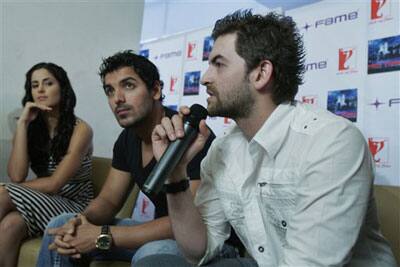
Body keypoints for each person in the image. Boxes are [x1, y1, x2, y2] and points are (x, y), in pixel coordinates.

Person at [136, 10, 397, 267]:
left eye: (218, 64)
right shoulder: (223, 149)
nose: (205, 78)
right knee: (155, 258)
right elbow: (198, 251)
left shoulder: (331, 143)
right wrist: (176, 176)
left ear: (260, 73)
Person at [36, 50, 217, 266]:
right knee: (62, 224)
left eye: (128, 85)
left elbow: (189, 222)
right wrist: (80, 222)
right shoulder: (127, 139)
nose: (117, 99)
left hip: (204, 240)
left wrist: (102, 235)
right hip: (158, 233)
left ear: (156, 90)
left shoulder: (187, 135)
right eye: (110, 91)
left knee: (151, 253)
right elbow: (109, 200)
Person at [0, 62, 93, 267]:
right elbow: (17, 175)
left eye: (48, 83)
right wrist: (23, 124)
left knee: (3, 194)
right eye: (34, 85)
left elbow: (54, 184)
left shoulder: (81, 129)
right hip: (43, 201)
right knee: (10, 225)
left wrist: (6, 189)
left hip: (75, 206)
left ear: (62, 87)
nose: (40, 89)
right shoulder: (31, 127)